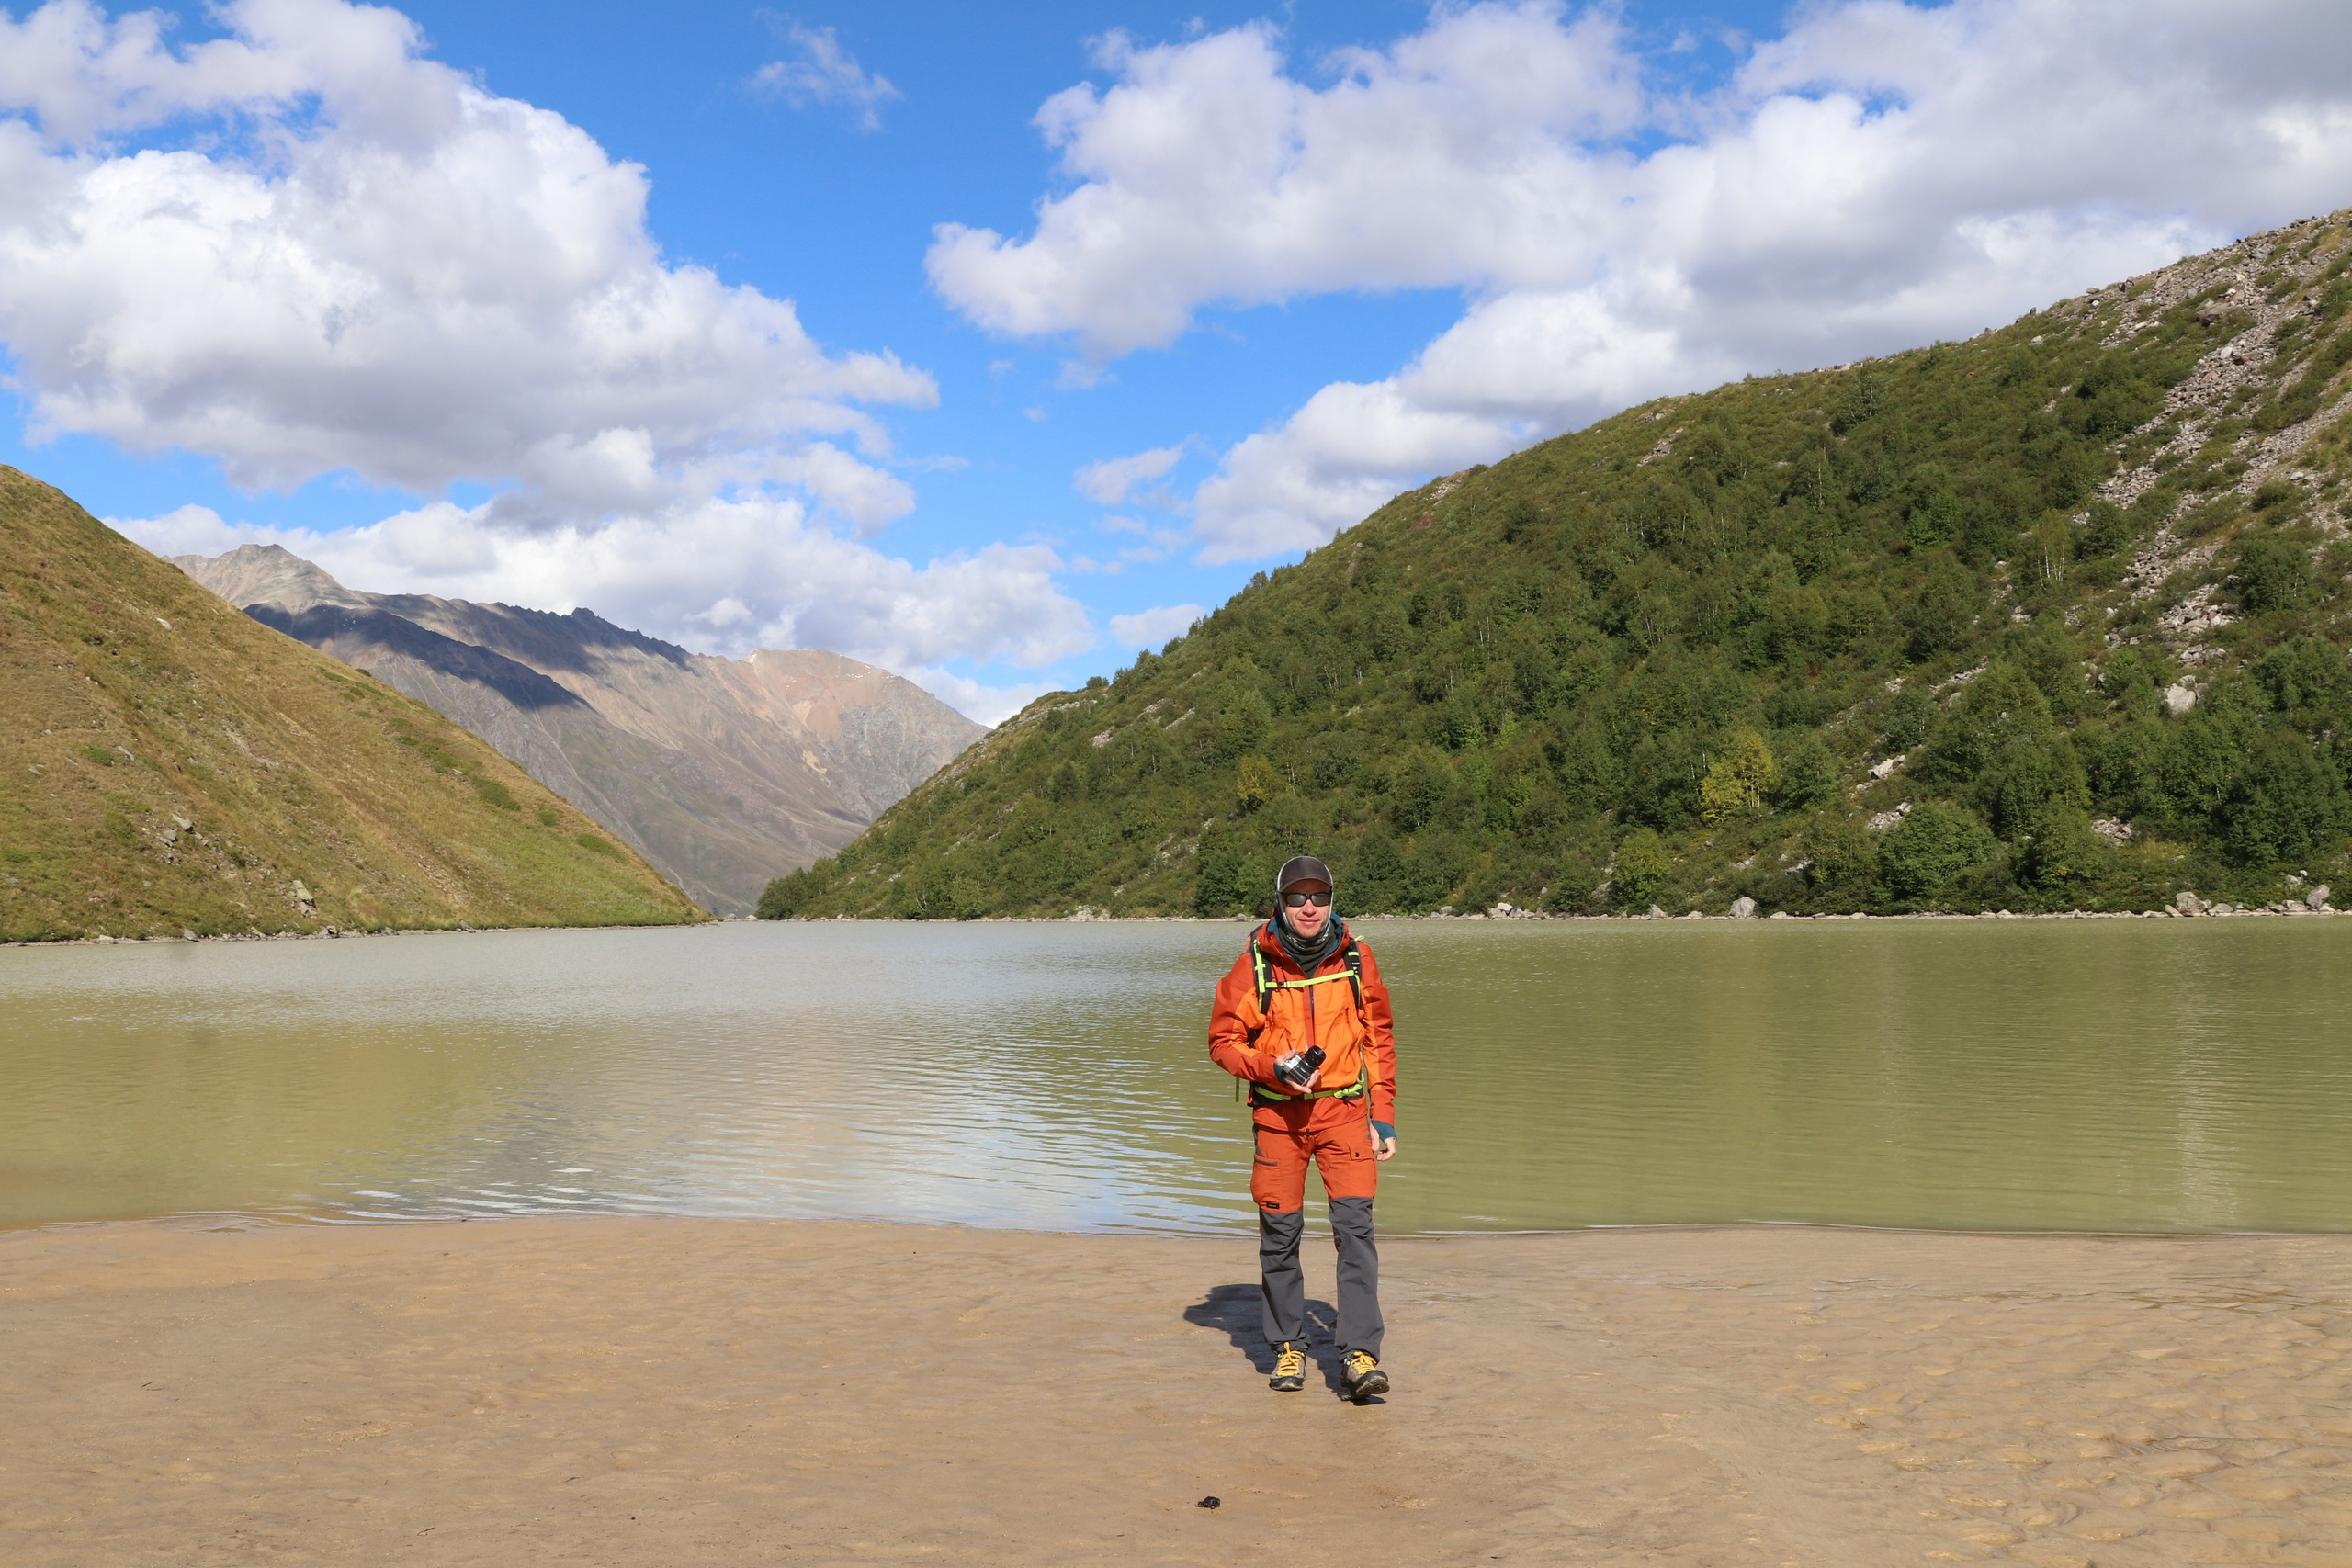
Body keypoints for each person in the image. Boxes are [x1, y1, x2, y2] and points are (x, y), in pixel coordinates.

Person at [1207, 854, 1398, 1403]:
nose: (1309, 906)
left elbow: (1377, 1039)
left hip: (1345, 1114)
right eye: (1297, 897)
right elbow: (1222, 1043)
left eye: (1319, 896)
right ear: (1281, 903)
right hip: (1278, 1118)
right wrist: (1273, 1067)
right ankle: (1288, 1346)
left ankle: (1359, 1356)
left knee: (1355, 1231)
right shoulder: (1256, 967)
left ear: (1332, 900)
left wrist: (1382, 1115)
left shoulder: (1358, 959)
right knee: (1280, 1235)